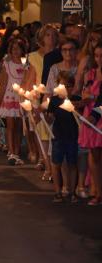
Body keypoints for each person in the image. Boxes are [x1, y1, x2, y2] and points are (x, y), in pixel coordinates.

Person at [47, 71, 79, 203]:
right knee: (56, 164)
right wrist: (49, 117)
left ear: (73, 86)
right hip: (58, 136)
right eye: (62, 86)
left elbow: (81, 118)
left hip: (72, 136)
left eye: (68, 86)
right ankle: (57, 191)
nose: (65, 88)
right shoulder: (54, 101)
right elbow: (49, 119)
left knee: (72, 164)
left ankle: (72, 192)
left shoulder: (76, 100)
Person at [0, 37, 28, 166]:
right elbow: (3, 83)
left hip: (21, 98)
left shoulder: (26, 63)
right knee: (10, 125)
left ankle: (17, 149)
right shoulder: (7, 64)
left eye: (18, 48)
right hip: (10, 97)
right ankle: (11, 151)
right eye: (13, 48)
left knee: (20, 126)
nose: (16, 51)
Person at [79, 43, 102, 205]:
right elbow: (85, 93)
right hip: (92, 116)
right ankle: (96, 191)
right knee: (94, 154)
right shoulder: (91, 74)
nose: (100, 59)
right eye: (97, 55)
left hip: (98, 115)